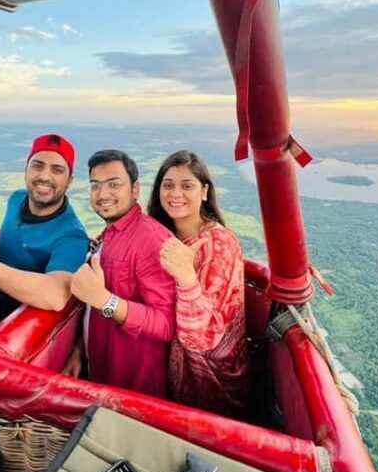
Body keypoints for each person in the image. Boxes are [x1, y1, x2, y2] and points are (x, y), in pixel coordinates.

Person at [66, 150, 176, 398]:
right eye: (96, 186)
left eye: (114, 184)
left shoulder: (152, 239)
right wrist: (79, 351)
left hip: (134, 391)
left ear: (135, 189)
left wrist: (105, 301)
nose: (103, 194)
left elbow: (165, 324)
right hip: (101, 374)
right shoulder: (110, 232)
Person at [147, 150, 249, 416]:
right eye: (167, 185)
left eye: (187, 186)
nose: (175, 194)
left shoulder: (219, 245)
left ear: (204, 192)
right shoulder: (160, 235)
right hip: (165, 372)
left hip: (212, 384)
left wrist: (186, 278)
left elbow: (204, 337)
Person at [0, 134, 89, 320]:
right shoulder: (16, 198)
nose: (45, 176)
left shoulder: (72, 237)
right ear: (26, 170)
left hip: (20, 327)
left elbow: (56, 296)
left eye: (57, 170)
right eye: (37, 165)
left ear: (70, 181)